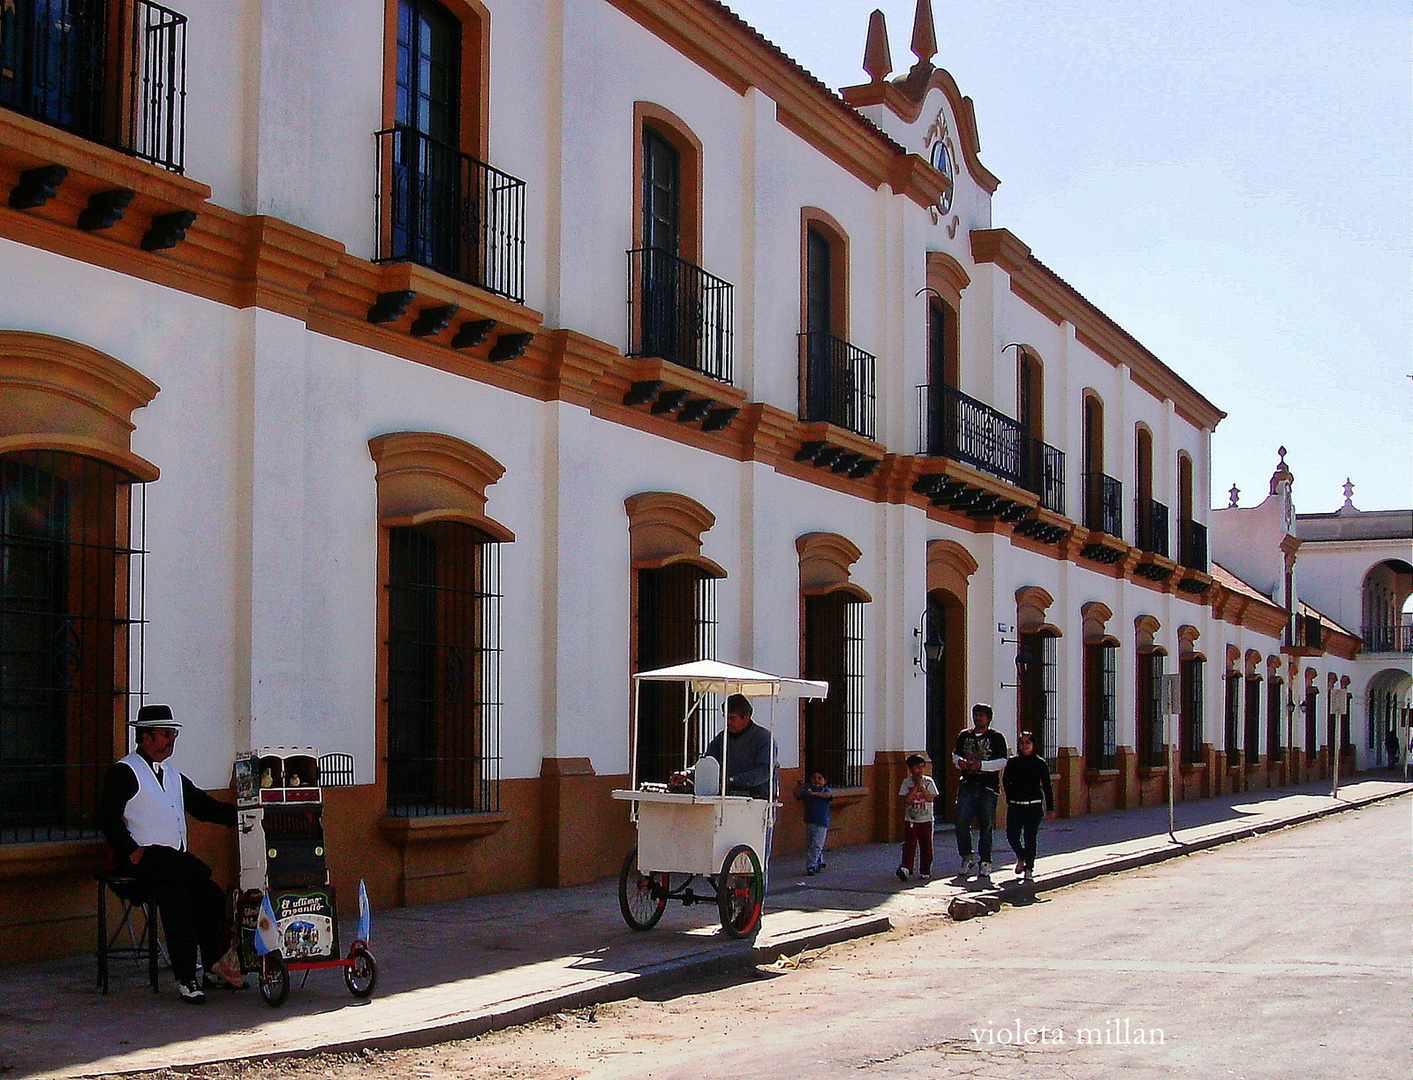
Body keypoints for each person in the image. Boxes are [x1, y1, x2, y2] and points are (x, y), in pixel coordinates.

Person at [98, 704, 242, 1004]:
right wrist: (131, 851)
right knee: (177, 901)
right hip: (143, 861)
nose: (170, 740)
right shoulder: (125, 771)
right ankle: (187, 977)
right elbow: (108, 817)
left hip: (173, 860)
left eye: (172, 734)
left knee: (211, 894)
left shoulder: (173, 775)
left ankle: (213, 968)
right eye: (165, 734)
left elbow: (204, 807)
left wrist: (248, 815)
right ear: (145, 737)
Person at [952, 702, 1008, 882]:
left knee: (986, 825)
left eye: (982, 715)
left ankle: (985, 861)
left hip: (987, 787)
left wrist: (982, 766)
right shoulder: (964, 735)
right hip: (967, 784)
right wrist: (959, 761)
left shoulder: (996, 737)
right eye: (976, 715)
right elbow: (955, 754)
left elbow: (1002, 761)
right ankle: (967, 856)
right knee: (960, 822)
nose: (978, 718)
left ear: (988, 718)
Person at [1002, 731, 1055, 882]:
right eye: (1022, 743)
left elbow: (1047, 786)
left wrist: (1050, 808)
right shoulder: (1012, 762)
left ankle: (1029, 868)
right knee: (1012, 836)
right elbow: (1006, 781)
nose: (1025, 746)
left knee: (1030, 837)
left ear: (1033, 745)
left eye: (1028, 743)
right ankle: (1021, 856)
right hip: (1016, 806)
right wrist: (1010, 797)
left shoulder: (1040, 763)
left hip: (1034, 806)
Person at [704, 694, 777, 800]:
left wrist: (733, 780)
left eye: (732, 718)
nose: (728, 723)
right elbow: (708, 761)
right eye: (726, 718)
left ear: (746, 717)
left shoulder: (764, 738)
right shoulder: (722, 738)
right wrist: (688, 775)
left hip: (757, 801)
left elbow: (765, 772)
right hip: (727, 799)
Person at [896, 753, 939, 881]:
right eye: (916, 768)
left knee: (926, 846)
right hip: (911, 819)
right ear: (910, 769)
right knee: (909, 844)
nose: (919, 771)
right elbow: (907, 800)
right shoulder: (906, 783)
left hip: (926, 819)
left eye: (921, 767)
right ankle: (906, 868)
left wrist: (922, 786)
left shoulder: (928, 781)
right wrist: (915, 787)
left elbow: (930, 798)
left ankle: (925, 870)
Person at [795, 770, 834, 875]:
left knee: (816, 844)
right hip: (810, 820)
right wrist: (800, 786)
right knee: (812, 843)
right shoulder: (808, 791)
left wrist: (814, 794)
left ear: (825, 781)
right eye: (814, 778)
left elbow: (828, 796)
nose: (816, 780)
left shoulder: (826, 790)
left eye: (819, 778)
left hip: (822, 822)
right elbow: (797, 795)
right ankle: (820, 860)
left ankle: (811, 865)